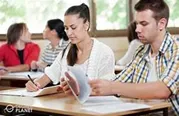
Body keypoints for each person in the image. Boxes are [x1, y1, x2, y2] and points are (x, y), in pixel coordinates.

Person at [62, 0, 179, 115]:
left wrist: (113, 87)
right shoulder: (141, 52)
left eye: (143, 24)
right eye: (137, 24)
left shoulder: (176, 49)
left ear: (161, 24)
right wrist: (81, 90)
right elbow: (115, 82)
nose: (137, 29)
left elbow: (163, 90)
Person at [25, 3, 115, 91]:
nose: (69, 33)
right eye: (66, 28)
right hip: (68, 104)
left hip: (93, 105)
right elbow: (49, 75)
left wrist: (77, 87)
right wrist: (35, 84)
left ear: (86, 25)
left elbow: (106, 88)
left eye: (73, 27)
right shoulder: (66, 51)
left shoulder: (104, 52)